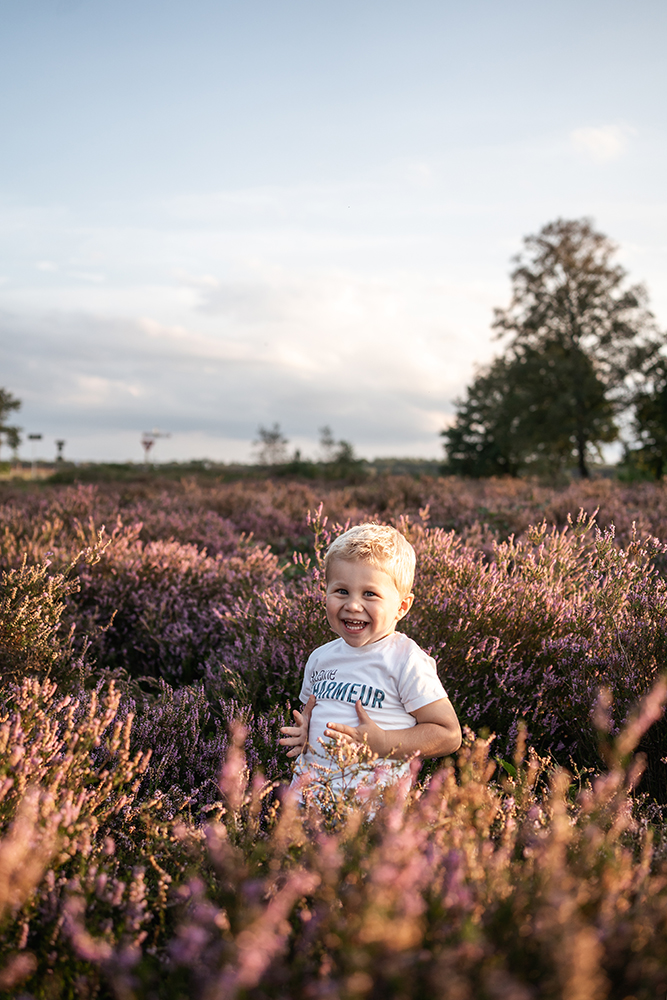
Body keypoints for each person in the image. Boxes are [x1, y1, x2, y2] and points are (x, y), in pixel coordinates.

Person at [279, 523, 461, 797]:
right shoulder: (320, 658)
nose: (353, 605)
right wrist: (306, 732)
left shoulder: (406, 660)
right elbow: (314, 713)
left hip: (370, 817)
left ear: (402, 606)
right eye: (341, 591)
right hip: (306, 802)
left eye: (370, 594)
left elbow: (448, 734)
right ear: (325, 593)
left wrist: (384, 742)